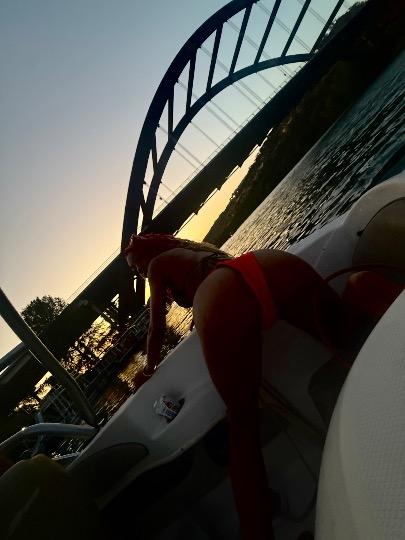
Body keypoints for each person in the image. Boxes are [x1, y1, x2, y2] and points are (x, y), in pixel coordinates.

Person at [124, 232, 345, 540]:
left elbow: (157, 327)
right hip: (263, 265)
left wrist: (148, 369)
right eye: (136, 271)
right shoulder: (195, 251)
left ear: (152, 253)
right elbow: (224, 277)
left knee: (243, 429)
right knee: (347, 340)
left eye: (138, 266)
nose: (141, 273)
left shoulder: (158, 265)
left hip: (224, 298)